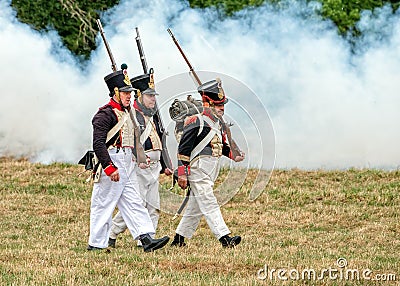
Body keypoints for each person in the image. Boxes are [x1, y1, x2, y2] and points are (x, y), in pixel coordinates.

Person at [87, 64, 170, 252]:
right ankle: (96, 243)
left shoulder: (128, 113)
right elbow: (99, 144)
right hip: (112, 160)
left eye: (130, 93)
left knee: (134, 201)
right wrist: (109, 167)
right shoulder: (104, 114)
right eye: (125, 93)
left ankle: (147, 239)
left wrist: (139, 158)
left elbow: (132, 142)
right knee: (104, 204)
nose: (129, 96)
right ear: (115, 92)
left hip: (127, 162)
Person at [170, 78, 245, 248]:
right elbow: (183, 149)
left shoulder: (217, 123)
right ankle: (225, 238)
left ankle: (179, 239)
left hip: (211, 170)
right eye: (217, 104)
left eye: (222, 104)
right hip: (197, 169)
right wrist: (182, 173)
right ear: (207, 103)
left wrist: (233, 155)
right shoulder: (196, 121)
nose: (221, 107)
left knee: (195, 208)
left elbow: (218, 145)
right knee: (209, 202)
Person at [108, 69, 173, 248]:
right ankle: (111, 232)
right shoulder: (133, 116)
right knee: (137, 204)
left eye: (153, 96)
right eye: (149, 96)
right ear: (139, 96)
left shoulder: (150, 117)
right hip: (140, 166)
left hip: (154, 167)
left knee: (154, 205)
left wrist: (166, 165)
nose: (153, 99)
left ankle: (146, 240)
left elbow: (160, 142)